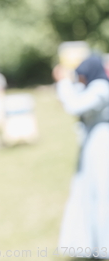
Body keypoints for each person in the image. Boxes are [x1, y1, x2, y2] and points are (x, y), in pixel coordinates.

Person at [54, 55, 109, 258]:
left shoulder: (101, 88)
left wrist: (63, 81)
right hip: (92, 146)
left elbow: (74, 105)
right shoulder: (95, 87)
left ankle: (103, 245)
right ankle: (89, 244)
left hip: (102, 146)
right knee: (86, 192)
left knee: (101, 194)